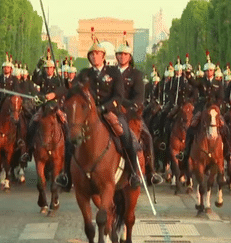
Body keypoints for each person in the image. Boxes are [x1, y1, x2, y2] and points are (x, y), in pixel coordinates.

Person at [50, 28, 143, 188]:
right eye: (91, 54)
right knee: (70, 138)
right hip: (88, 116)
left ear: (103, 56)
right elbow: (70, 89)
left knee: (127, 136)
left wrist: (105, 108)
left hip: (110, 112)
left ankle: (134, 172)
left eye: (97, 54)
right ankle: (66, 175)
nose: (94, 56)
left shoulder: (113, 72)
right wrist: (51, 95)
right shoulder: (85, 73)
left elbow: (118, 96)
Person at [115, 31, 163, 184]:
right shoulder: (110, 73)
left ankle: (151, 171)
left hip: (130, 114)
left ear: (129, 57)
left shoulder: (136, 74)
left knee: (147, 137)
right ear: (116, 56)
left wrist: (127, 107)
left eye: (125, 54)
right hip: (112, 112)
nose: (122, 57)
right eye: (119, 54)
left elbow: (139, 97)